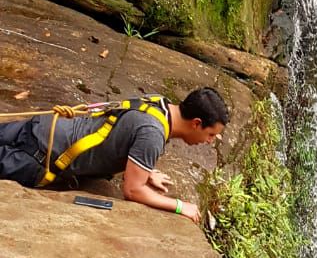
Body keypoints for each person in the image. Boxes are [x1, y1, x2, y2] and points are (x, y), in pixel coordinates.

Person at [0, 86, 229, 224]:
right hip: (39, 157)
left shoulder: (159, 103)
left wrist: (145, 171)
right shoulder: (152, 134)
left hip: (46, 126)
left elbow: (126, 132)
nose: (209, 142)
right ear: (196, 123)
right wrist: (180, 206)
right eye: (210, 134)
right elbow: (132, 190)